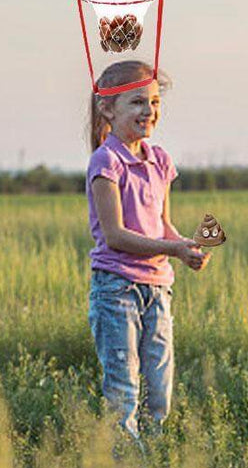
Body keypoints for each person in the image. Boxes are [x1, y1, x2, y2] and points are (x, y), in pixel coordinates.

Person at [85, 59, 209, 445]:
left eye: (154, 102)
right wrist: (171, 247)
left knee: (159, 392)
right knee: (123, 391)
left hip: (158, 291)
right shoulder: (106, 162)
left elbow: (161, 224)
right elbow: (116, 236)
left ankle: (156, 464)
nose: (149, 111)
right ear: (109, 108)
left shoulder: (160, 161)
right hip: (117, 289)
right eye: (137, 102)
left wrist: (184, 247)